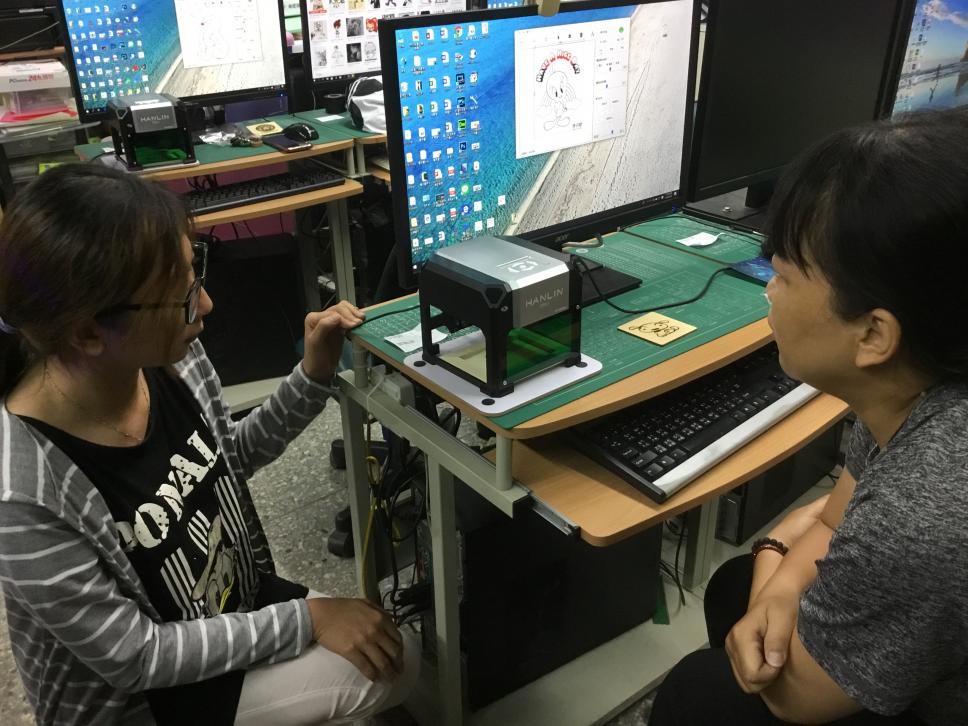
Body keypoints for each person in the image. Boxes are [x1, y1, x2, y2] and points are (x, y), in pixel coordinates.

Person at [0, 164, 419, 725]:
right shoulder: (23, 494)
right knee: (388, 667)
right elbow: (135, 655)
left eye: (193, 276)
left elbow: (228, 458)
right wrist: (308, 619)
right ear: (88, 332)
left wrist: (312, 375)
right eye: (179, 298)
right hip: (150, 698)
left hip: (224, 611)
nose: (205, 307)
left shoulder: (169, 359)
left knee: (387, 647)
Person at [649, 108, 968, 725]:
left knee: (698, 693)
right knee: (734, 584)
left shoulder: (922, 511)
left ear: (874, 334)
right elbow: (830, 518)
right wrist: (778, 572)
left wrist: (772, 572)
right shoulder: (916, 385)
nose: (768, 290)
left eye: (785, 275)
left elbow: (798, 698)